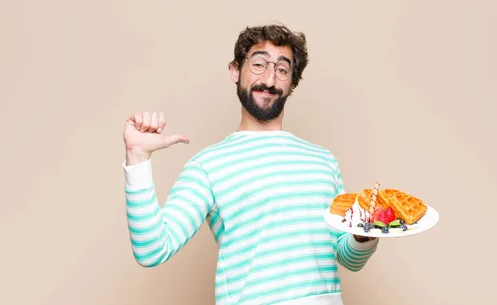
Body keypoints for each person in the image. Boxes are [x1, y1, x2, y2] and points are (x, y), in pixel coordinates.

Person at [121, 24, 379, 305]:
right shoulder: (208, 166)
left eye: (282, 69)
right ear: (235, 71)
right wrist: (138, 158)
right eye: (259, 64)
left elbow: (346, 257)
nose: (269, 79)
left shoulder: (324, 162)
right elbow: (152, 250)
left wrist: (364, 236)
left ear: (292, 82)